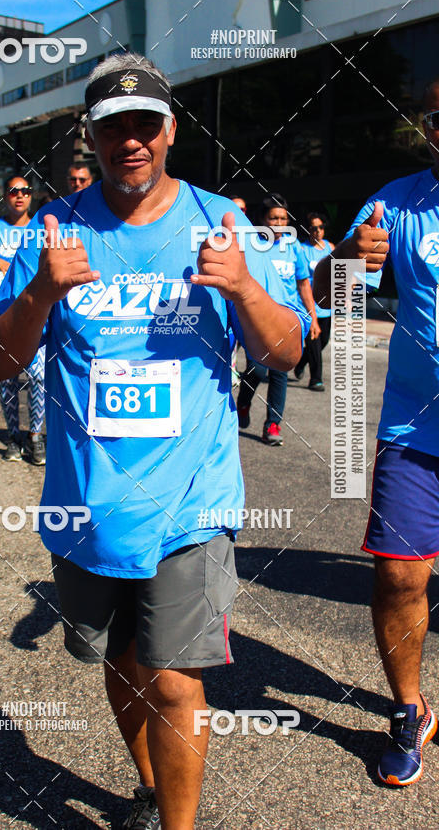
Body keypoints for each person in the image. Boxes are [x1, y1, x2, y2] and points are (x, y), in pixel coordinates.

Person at [0, 53, 309, 830]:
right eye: (111, 126)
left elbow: (286, 352)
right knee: (122, 668)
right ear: (90, 137)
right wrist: (42, 291)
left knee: (173, 680)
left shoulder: (222, 223)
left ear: (170, 130)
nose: (130, 139)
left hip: (190, 501)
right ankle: (154, 791)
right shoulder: (55, 233)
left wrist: (243, 287)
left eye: (145, 124)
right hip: (86, 507)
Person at [312, 77, 439, 787]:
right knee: (397, 574)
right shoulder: (395, 203)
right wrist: (353, 256)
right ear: (427, 126)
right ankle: (408, 710)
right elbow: (329, 293)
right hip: (415, 427)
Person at [236, 194, 320, 445]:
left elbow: (303, 284)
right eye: (273, 218)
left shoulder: (293, 247)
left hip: (288, 318)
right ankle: (244, 401)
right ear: (262, 219)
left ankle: (273, 424)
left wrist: (313, 317)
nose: (279, 223)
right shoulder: (251, 245)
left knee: (280, 371)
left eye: (283, 218)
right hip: (257, 319)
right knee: (258, 369)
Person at [0, 175, 46, 465]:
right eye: (14, 191)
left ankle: (35, 437)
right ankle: (14, 437)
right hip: (3, 314)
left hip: (38, 317)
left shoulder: (41, 225)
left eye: (26, 191)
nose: (20, 195)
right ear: (5, 195)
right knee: (7, 379)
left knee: (38, 377)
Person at [293, 213, 334, 391]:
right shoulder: (302, 249)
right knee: (314, 343)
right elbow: (299, 279)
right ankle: (316, 379)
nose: (317, 231)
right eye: (313, 228)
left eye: (320, 227)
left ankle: (301, 361)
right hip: (309, 305)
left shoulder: (330, 248)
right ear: (308, 230)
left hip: (327, 306)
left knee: (324, 340)